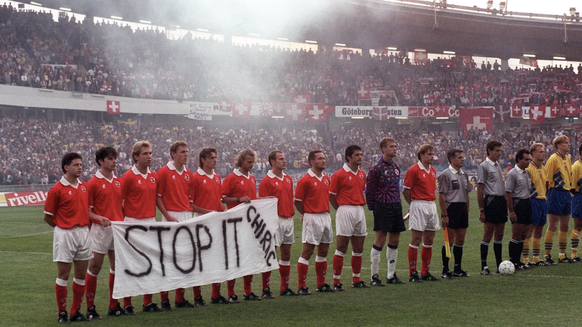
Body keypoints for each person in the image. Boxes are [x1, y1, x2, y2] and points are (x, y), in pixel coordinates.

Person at [44, 152, 103, 323]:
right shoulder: (56, 189)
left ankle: (75, 311)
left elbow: (87, 211)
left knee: (80, 275)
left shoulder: (84, 187)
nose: (80, 168)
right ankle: (62, 313)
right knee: (63, 274)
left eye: (81, 165)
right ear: (66, 167)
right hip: (65, 233)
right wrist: (62, 226)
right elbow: (48, 216)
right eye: (76, 165)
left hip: (83, 232)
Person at [156, 141, 210, 308]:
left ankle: (180, 299)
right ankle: (164, 299)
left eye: (187, 151)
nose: (186, 154)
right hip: (171, 216)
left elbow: (190, 201)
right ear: (173, 154)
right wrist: (167, 216)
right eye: (182, 152)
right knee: (169, 259)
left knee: (187, 258)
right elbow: (158, 197)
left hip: (187, 216)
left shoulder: (189, 174)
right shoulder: (164, 172)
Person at [120, 141, 164, 312]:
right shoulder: (128, 177)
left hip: (150, 221)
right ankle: (127, 303)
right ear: (136, 156)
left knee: (150, 262)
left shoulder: (154, 176)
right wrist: (128, 216)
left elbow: (156, 199)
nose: (149, 157)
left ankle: (148, 302)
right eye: (145, 154)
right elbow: (119, 201)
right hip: (132, 223)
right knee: (130, 263)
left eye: (150, 153)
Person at [84, 147, 125, 320]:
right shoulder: (92, 183)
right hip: (100, 229)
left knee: (116, 268)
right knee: (94, 267)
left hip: (117, 228)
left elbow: (121, 206)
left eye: (115, 158)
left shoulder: (118, 181)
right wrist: (98, 218)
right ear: (101, 161)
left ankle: (113, 305)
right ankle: (90, 308)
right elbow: (86, 211)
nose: (114, 161)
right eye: (110, 158)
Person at [191, 147, 229, 304]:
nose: (215, 160)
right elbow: (191, 204)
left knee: (218, 258)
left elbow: (218, 199)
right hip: (201, 221)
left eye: (216, 157)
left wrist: (224, 209)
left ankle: (215, 294)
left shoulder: (217, 177)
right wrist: (209, 212)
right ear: (203, 160)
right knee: (199, 259)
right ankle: (197, 296)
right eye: (211, 157)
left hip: (215, 221)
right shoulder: (195, 178)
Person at [365, 137, 405, 286]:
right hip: (382, 205)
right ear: (384, 149)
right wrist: (373, 207)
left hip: (395, 205)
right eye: (391, 146)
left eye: (395, 146)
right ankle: (374, 276)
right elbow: (369, 190)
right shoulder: (376, 168)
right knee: (380, 239)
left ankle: (390, 275)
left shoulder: (396, 167)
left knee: (395, 239)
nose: (395, 148)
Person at [221, 149, 259, 302]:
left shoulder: (252, 177)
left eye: (253, 162)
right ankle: (231, 293)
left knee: (248, 256)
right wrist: (238, 199)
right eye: (248, 162)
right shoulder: (232, 178)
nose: (251, 165)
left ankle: (247, 291)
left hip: (249, 223)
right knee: (234, 257)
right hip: (235, 222)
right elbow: (223, 198)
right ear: (241, 161)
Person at [258, 150, 298, 297]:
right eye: (281, 159)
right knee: (270, 253)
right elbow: (262, 204)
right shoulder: (266, 181)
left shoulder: (288, 178)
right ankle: (265, 289)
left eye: (284, 158)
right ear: (272, 162)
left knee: (286, 254)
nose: (284, 161)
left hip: (289, 219)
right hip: (274, 220)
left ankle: (284, 287)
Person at [330, 145, 369, 290]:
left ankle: (356, 279)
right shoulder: (339, 175)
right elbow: (332, 196)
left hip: (359, 209)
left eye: (361, 154)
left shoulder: (362, 174)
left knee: (359, 247)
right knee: (341, 246)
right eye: (357, 155)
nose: (360, 157)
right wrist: (340, 209)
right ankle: (336, 281)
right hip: (345, 209)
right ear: (349, 157)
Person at [295, 150, 334, 294]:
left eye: (324, 158)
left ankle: (321, 284)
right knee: (307, 251)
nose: (323, 161)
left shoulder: (325, 178)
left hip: (325, 216)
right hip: (312, 217)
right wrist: (305, 213)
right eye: (320, 159)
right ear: (312, 161)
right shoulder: (305, 180)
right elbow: (298, 201)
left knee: (323, 250)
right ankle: (301, 286)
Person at [403, 144, 439, 282]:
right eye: (429, 154)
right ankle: (412, 273)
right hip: (418, 204)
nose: (432, 156)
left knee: (429, 239)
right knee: (416, 239)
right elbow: (406, 190)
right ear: (421, 155)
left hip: (431, 204)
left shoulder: (433, 171)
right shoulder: (414, 170)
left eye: (432, 154)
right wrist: (412, 204)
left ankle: (425, 271)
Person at [438, 148, 471, 279]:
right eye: (459, 157)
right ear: (452, 160)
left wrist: (467, 211)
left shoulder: (464, 174)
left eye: (463, 157)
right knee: (449, 240)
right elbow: (441, 196)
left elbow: (467, 194)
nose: (462, 159)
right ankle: (445, 269)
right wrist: (445, 215)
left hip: (462, 208)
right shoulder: (445, 174)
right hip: (451, 208)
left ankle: (457, 268)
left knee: (460, 240)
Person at [477, 140, 507, 275]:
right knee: (488, 234)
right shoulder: (484, 166)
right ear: (489, 151)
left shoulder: (498, 165)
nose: (499, 153)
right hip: (491, 201)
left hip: (501, 201)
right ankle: (484, 266)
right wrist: (482, 209)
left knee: (499, 234)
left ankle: (499, 265)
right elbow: (480, 189)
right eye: (497, 151)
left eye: (500, 151)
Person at [543, 135, 573, 264]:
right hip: (555, 193)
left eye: (568, 142)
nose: (569, 144)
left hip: (566, 193)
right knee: (553, 225)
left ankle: (562, 255)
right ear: (559, 145)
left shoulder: (567, 159)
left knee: (565, 226)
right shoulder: (553, 159)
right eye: (566, 143)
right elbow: (547, 178)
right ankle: (547, 255)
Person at [505, 149, 533, 270]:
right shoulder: (512, 174)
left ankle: (518, 261)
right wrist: (511, 211)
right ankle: (513, 261)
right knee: (516, 234)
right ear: (519, 160)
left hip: (527, 202)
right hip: (518, 203)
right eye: (526, 159)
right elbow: (508, 193)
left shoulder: (527, 173)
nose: (528, 162)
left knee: (524, 234)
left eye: (529, 159)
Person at [523, 143, 549, 266]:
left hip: (543, 200)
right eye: (540, 152)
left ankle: (536, 258)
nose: (543, 153)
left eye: (543, 151)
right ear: (533, 154)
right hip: (533, 201)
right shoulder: (528, 169)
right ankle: (525, 259)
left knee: (539, 229)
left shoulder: (544, 168)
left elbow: (546, 185)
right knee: (529, 230)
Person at [569, 144, 582, 262]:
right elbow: (572, 187)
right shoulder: (576, 166)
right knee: (578, 225)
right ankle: (574, 254)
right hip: (579, 198)